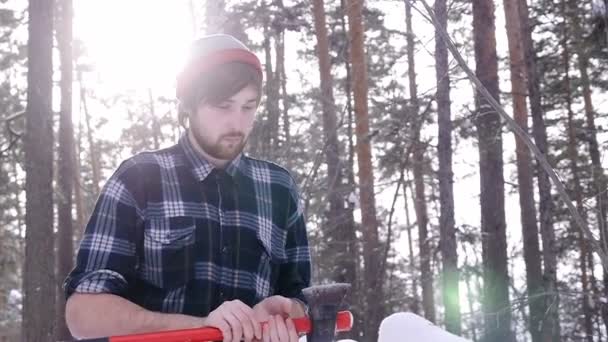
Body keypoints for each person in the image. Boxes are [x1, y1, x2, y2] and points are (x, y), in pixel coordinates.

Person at [64, 34, 311, 342]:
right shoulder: (139, 178)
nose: (237, 123)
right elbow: (83, 315)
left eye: (249, 107)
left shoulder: (279, 189)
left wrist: (287, 314)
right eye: (223, 106)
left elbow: (303, 304)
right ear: (188, 106)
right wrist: (201, 325)